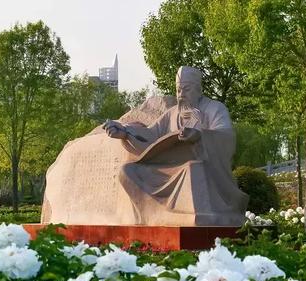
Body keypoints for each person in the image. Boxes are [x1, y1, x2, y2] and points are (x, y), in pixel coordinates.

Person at [102, 66, 248, 226]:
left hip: (204, 170)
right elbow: (151, 134)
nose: (181, 95)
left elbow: (226, 137)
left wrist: (200, 136)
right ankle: (157, 215)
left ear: (199, 90)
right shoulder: (172, 114)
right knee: (128, 171)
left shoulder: (215, 109)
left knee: (193, 169)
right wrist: (124, 132)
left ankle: (188, 216)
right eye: (178, 90)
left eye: (186, 89)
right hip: (167, 168)